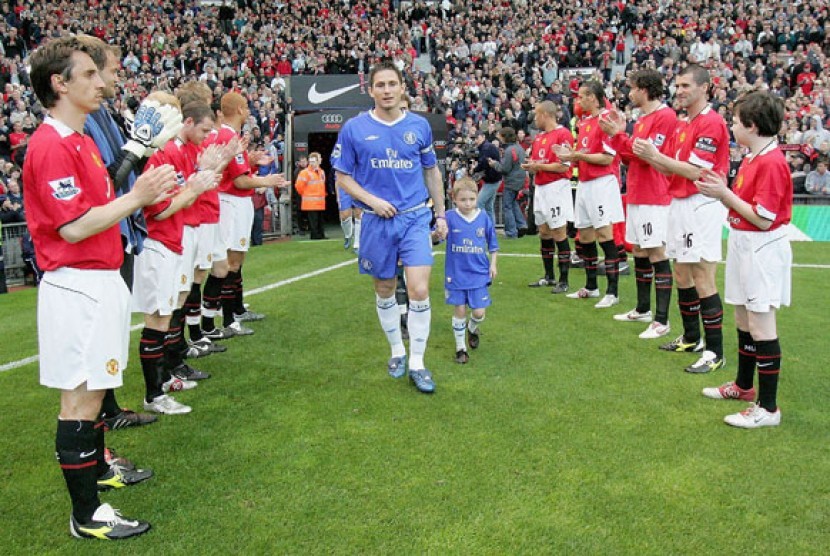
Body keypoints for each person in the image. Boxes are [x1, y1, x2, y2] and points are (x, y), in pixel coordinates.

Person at [23, 35, 177, 540]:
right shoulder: (48, 145)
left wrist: (133, 170)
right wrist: (137, 196)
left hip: (100, 280)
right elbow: (72, 228)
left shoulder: (82, 139)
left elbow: (100, 199)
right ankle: (86, 516)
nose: (101, 82)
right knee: (81, 400)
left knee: (94, 394)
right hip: (77, 284)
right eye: (88, 74)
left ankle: (95, 486)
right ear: (59, 83)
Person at [332, 60, 448, 394]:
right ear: (371, 90)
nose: (386, 91)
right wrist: (372, 201)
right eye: (380, 85)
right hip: (375, 220)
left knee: (419, 290)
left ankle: (418, 362)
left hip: (414, 218)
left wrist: (440, 215)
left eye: (392, 84)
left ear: (401, 88)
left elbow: (432, 172)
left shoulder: (419, 126)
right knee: (384, 289)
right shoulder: (354, 129)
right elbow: (342, 178)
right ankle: (397, 351)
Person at [79, 35, 164, 431]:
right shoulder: (85, 121)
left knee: (112, 329)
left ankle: (109, 409)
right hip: (107, 233)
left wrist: (140, 150)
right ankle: (102, 416)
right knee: (100, 335)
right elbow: (108, 180)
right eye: (109, 70)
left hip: (120, 228)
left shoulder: (101, 114)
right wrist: (136, 149)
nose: (111, 79)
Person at [696, 90, 792, 428]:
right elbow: (744, 206)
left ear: (751, 125)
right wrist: (725, 193)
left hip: (762, 246)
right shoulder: (753, 157)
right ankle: (743, 387)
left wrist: (724, 194)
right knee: (743, 317)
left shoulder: (771, 161)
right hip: (743, 241)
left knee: (761, 323)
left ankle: (768, 409)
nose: (731, 127)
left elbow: (764, 217)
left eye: (735, 122)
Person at [633, 64, 730, 373]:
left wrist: (656, 157)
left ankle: (715, 352)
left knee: (702, 276)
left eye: (686, 85)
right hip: (679, 202)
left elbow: (698, 171)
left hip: (700, 203)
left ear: (705, 87)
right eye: (677, 86)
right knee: (682, 274)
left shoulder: (711, 122)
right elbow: (670, 167)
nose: (680, 91)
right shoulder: (683, 124)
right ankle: (691, 337)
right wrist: (650, 156)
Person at [134, 97, 219, 416]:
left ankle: (165, 380)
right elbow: (159, 210)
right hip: (159, 243)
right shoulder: (162, 154)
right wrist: (195, 188)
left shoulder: (171, 151)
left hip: (172, 240)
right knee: (157, 319)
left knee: (166, 313)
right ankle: (154, 394)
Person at [599, 69, 678, 339]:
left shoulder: (665, 116)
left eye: (632, 88)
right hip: (637, 193)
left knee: (657, 252)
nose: (629, 93)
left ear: (644, 89)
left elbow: (646, 156)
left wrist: (620, 136)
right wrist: (617, 136)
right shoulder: (643, 118)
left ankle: (662, 320)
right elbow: (629, 157)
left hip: (654, 195)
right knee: (641, 252)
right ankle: (643, 309)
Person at [204, 92, 285, 337]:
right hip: (232, 203)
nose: (249, 110)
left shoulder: (227, 134)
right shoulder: (228, 135)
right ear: (240, 109)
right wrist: (267, 180)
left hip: (231, 202)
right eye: (246, 106)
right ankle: (228, 318)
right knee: (231, 261)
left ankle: (234, 311)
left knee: (233, 260)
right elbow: (238, 181)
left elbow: (233, 172)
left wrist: (249, 160)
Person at [556, 80, 624, 308]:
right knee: (584, 237)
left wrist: (577, 155)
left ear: (593, 98)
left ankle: (612, 291)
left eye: (581, 96)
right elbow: (584, 153)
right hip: (585, 182)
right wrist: (570, 155)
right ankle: (592, 286)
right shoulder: (584, 122)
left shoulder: (607, 119)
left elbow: (607, 158)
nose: (578, 101)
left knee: (605, 234)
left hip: (602, 183)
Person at [444, 177, 498, 364]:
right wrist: (436, 233)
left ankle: (472, 328)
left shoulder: (483, 217)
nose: (467, 204)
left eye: (471, 199)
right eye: (463, 200)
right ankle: (461, 349)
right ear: (455, 199)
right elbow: (437, 236)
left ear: (477, 198)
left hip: (478, 273)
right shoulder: (449, 217)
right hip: (456, 273)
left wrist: (493, 264)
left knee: (478, 313)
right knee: (459, 309)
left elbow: (493, 243)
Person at [522, 100, 574, 293]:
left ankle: (564, 280)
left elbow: (564, 166)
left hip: (556, 188)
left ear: (545, 114)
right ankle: (549, 276)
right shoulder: (539, 138)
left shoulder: (563, 134)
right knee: (543, 231)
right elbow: (539, 162)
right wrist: (531, 165)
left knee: (559, 232)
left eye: (536, 115)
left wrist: (539, 166)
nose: (535, 119)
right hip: (541, 187)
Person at [488, 126, 528, 238]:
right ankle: (521, 224)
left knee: (507, 206)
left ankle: (511, 232)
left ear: (505, 137)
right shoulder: (519, 148)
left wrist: (494, 164)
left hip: (511, 181)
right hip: (520, 179)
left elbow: (504, 169)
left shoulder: (509, 150)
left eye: (500, 136)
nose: (499, 138)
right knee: (513, 202)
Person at [471, 129, 502, 224]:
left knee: (478, 204)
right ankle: (490, 230)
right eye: (474, 138)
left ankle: (480, 227)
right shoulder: (484, 147)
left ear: (483, 137)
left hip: (493, 180)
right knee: (489, 207)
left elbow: (484, 163)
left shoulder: (486, 147)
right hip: (493, 179)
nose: (476, 140)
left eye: (478, 138)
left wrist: (474, 169)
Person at [295, 151, 327, 240]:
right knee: (314, 222)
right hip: (311, 202)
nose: (320, 160)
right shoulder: (305, 173)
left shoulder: (321, 172)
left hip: (320, 202)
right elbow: (298, 186)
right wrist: (306, 195)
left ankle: (321, 235)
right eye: (312, 161)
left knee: (320, 221)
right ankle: (315, 236)